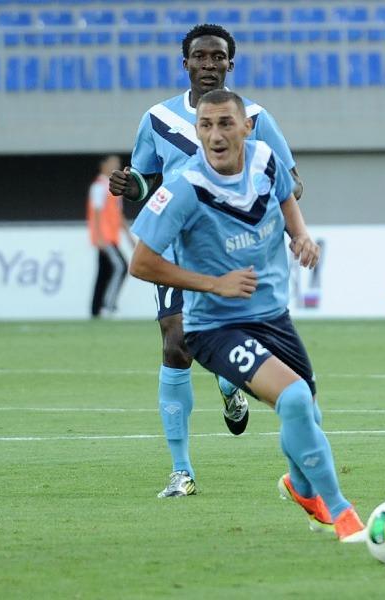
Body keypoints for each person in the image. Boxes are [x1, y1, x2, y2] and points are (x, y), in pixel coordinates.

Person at [128, 89, 365, 542]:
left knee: (308, 414)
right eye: (205, 125)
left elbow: (286, 197)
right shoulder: (182, 188)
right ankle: (341, 512)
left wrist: (300, 236)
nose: (215, 135)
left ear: (247, 127)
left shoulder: (265, 160)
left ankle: (300, 488)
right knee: (294, 399)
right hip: (215, 327)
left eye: (224, 124)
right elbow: (141, 263)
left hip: (273, 316)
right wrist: (213, 284)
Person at [109, 24, 304, 498]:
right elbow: (148, 180)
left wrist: (271, 209)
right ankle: (181, 471)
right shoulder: (157, 119)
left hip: (233, 248)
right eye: (201, 56)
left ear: (230, 64)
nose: (209, 64)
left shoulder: (253, 117)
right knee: (175, 345)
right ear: (186, 64)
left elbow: (292, 182)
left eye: (218, 57)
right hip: (177, 248)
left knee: (225, 340)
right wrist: (131, 186)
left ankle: (228, 381)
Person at [87, 154, 129, 319]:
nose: (116, 166)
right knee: (120, 267)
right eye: (113, 163)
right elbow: (96, 213)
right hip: (105, 237)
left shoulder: (114, 187)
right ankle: (108, 306)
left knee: (104, 272)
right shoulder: (99, 186)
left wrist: (128, 236)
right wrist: (98, 237)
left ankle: (96, 310)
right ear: (103, 165)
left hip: (112, 236)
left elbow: (118, 214)